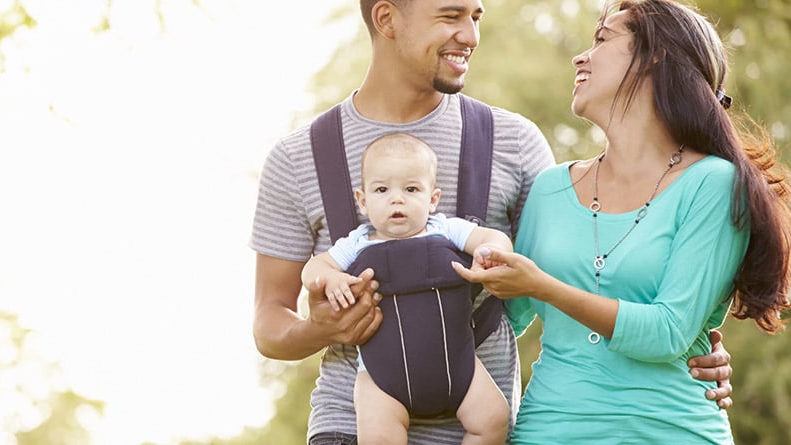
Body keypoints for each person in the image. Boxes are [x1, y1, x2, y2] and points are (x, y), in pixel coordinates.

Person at [249, 0, 737, 443]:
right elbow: (268, 323)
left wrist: (687, 340)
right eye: (450, 16)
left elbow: (544, 290)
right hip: (352, 427)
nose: (470, 36)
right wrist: (325, 328)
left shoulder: (516, 143)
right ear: (386, 18)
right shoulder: (298, 158)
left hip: (484, 428)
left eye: (476, 18)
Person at [452, 0, 791, 443]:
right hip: (548, 431)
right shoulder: (550, 188)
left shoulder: (714, 183)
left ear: (656, 57)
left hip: (671, 432)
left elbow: (668, 332)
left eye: (602, 39)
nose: (580, 56)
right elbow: (500, 324)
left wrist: (542, 285)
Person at [302, 132, 511, 444]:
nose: (396, 199)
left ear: (432, 199)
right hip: (382, 379)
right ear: (363, 200)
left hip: (459, 369)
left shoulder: (446, 228)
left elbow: (492, 238)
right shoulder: (357, 243)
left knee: (494, 418)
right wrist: (330, 279)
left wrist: (489, 253)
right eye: (382, 189)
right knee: (379, 436)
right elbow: (313, 267)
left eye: (411, 189)